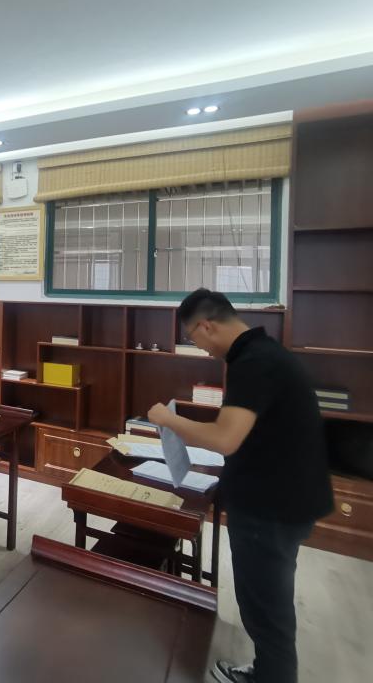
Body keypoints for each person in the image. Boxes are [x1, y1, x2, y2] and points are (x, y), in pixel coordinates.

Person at [146, 288, 332, 683]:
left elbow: (224, 438)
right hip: (285, 499)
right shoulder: (264, 353)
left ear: (206, 326)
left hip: (272, 508)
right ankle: (269, 670)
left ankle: (273, 676)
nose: (200, 348)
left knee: (265, 607)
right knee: (268, 600)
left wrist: (167, 418)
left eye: (193, 338)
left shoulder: (253, 363)